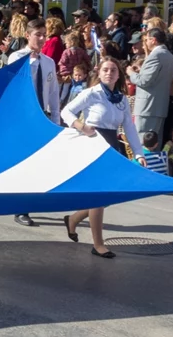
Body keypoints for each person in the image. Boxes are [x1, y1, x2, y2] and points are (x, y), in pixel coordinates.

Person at [61, 56, 142, 258]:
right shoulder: (91, 93)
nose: (109, 73)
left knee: (105, 197)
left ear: (118, 74)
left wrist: (139, 154)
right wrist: (82, 126)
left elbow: (129, 129)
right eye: (105, 69)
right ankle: (98, 244)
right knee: (99, 194)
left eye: (113, 70)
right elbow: (66, 112)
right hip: (93, 143)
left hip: (112, 146)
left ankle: (73, 220)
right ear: (99, 73)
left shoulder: (122, 99)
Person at [8, 18, 61, 227]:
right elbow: (12, 88)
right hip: (22, 117)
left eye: (44, 35)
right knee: (23, 163)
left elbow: (54, 91)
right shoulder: (16, 58)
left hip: (42, 116)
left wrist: (56, 118)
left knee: (37, 163)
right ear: (27, 36)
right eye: (37, 34)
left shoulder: (48, 62)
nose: (41, 38)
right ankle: (21, 208)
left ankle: (27, 200)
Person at [127, 28, 173, 141]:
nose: (146, 43)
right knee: (155, 144)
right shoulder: (170, 56)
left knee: (142, 142)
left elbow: (144, 81)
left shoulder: (155, 55)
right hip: (160, 106)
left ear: (153, 40)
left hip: (147, 107)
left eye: (147, 39)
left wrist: (131, 73)